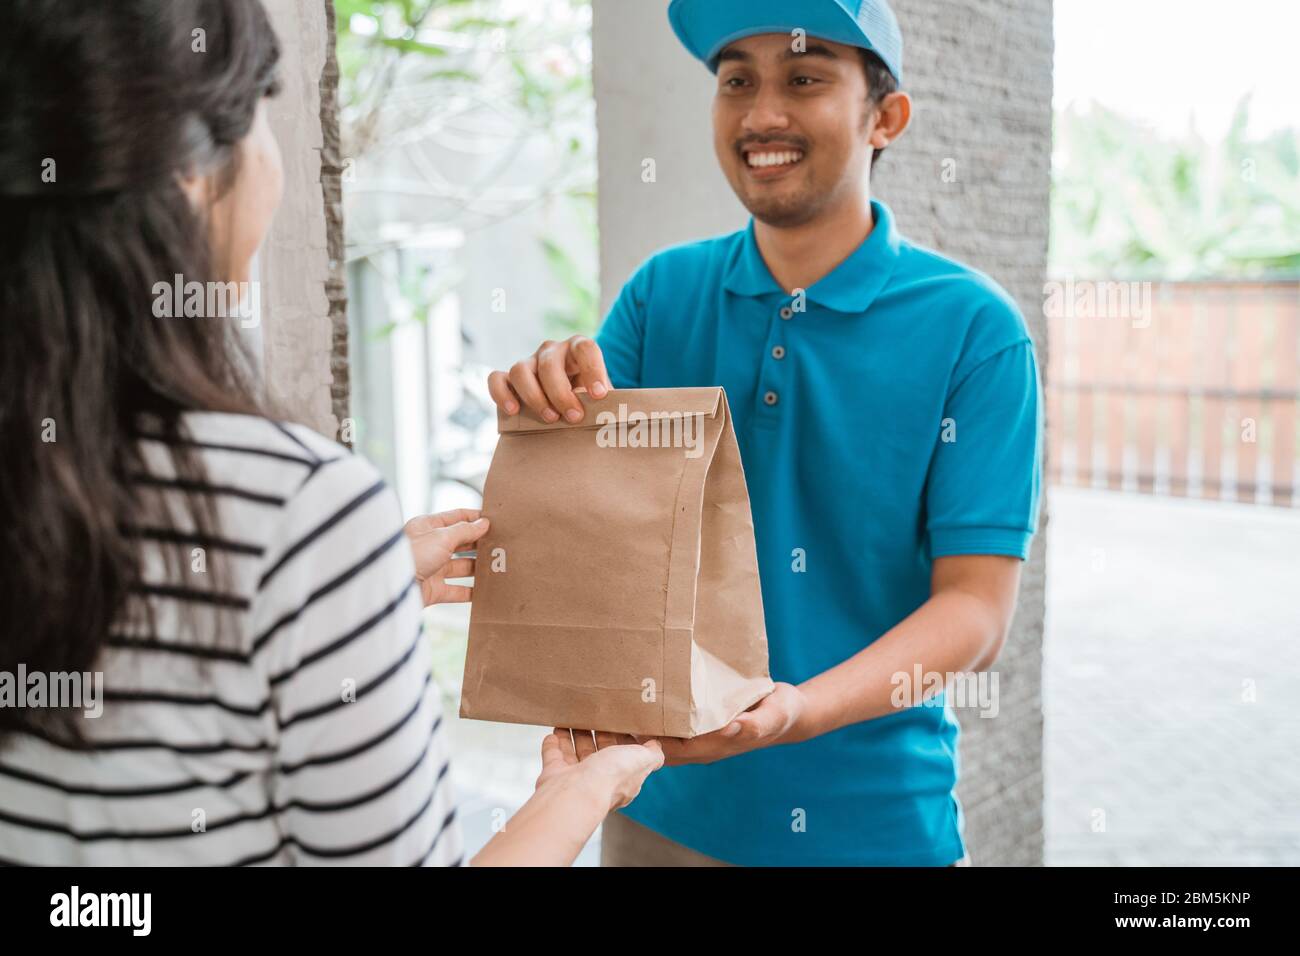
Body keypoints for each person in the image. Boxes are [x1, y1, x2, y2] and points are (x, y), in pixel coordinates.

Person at [0, 0, 661, 866]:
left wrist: (344, 592)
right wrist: (573, 798)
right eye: (266, 117)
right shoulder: (300, 513)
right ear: (196, 178)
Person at [488, 0, 1042, 867]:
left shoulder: (974, 329)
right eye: (736, 80)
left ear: (885, 118)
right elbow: (594, 542)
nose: (762, 114)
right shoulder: (661, 294)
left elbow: (974, 607)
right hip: (655, 809)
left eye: (805, 77)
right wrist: (542, 425)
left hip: (876, 827)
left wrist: (797, 711)